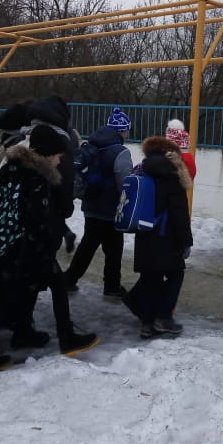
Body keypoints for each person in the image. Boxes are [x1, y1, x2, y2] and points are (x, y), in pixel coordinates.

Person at [7, 95, 99, 357]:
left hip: (23, 223)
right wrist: (65, 210)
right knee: (54, 280)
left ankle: (22, 329)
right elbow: (63, 180)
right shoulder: (58, 140)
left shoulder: (23, 134)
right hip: (45, 222)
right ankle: (66, 337)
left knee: (33, 279)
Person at [126, 136, 193, 338]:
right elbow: (179, 211)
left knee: (150, 277)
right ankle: (163, 318)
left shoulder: (143, 168)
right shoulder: (172, 173)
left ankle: (147, 323)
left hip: (145, 233)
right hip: (167, 235)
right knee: (176, 274)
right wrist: (186, 241)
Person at [64, 107, 134, 299]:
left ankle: (69, 279)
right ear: (122, 130)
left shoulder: (91, 145)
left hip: (91, 206)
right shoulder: (121, 152)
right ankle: (111, 286)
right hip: (110, 210)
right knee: (114, 249)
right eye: (127, 129)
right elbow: (124, 183)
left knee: (88, 245)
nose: (128, 133)